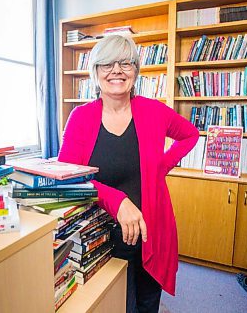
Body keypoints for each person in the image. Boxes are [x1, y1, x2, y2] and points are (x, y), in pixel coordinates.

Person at [58, 34, 199, 313]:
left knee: (147, 304)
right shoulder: (80, 118)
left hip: (150, 233)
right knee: (115, 305)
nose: (117, 71)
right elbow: (68, 178)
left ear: (136, 70)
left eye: (126, 63)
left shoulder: (154, 111)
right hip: (100, 238)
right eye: (107, 64)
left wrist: (162, 166)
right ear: (95, 71)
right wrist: (116, 199)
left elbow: (190, 135)